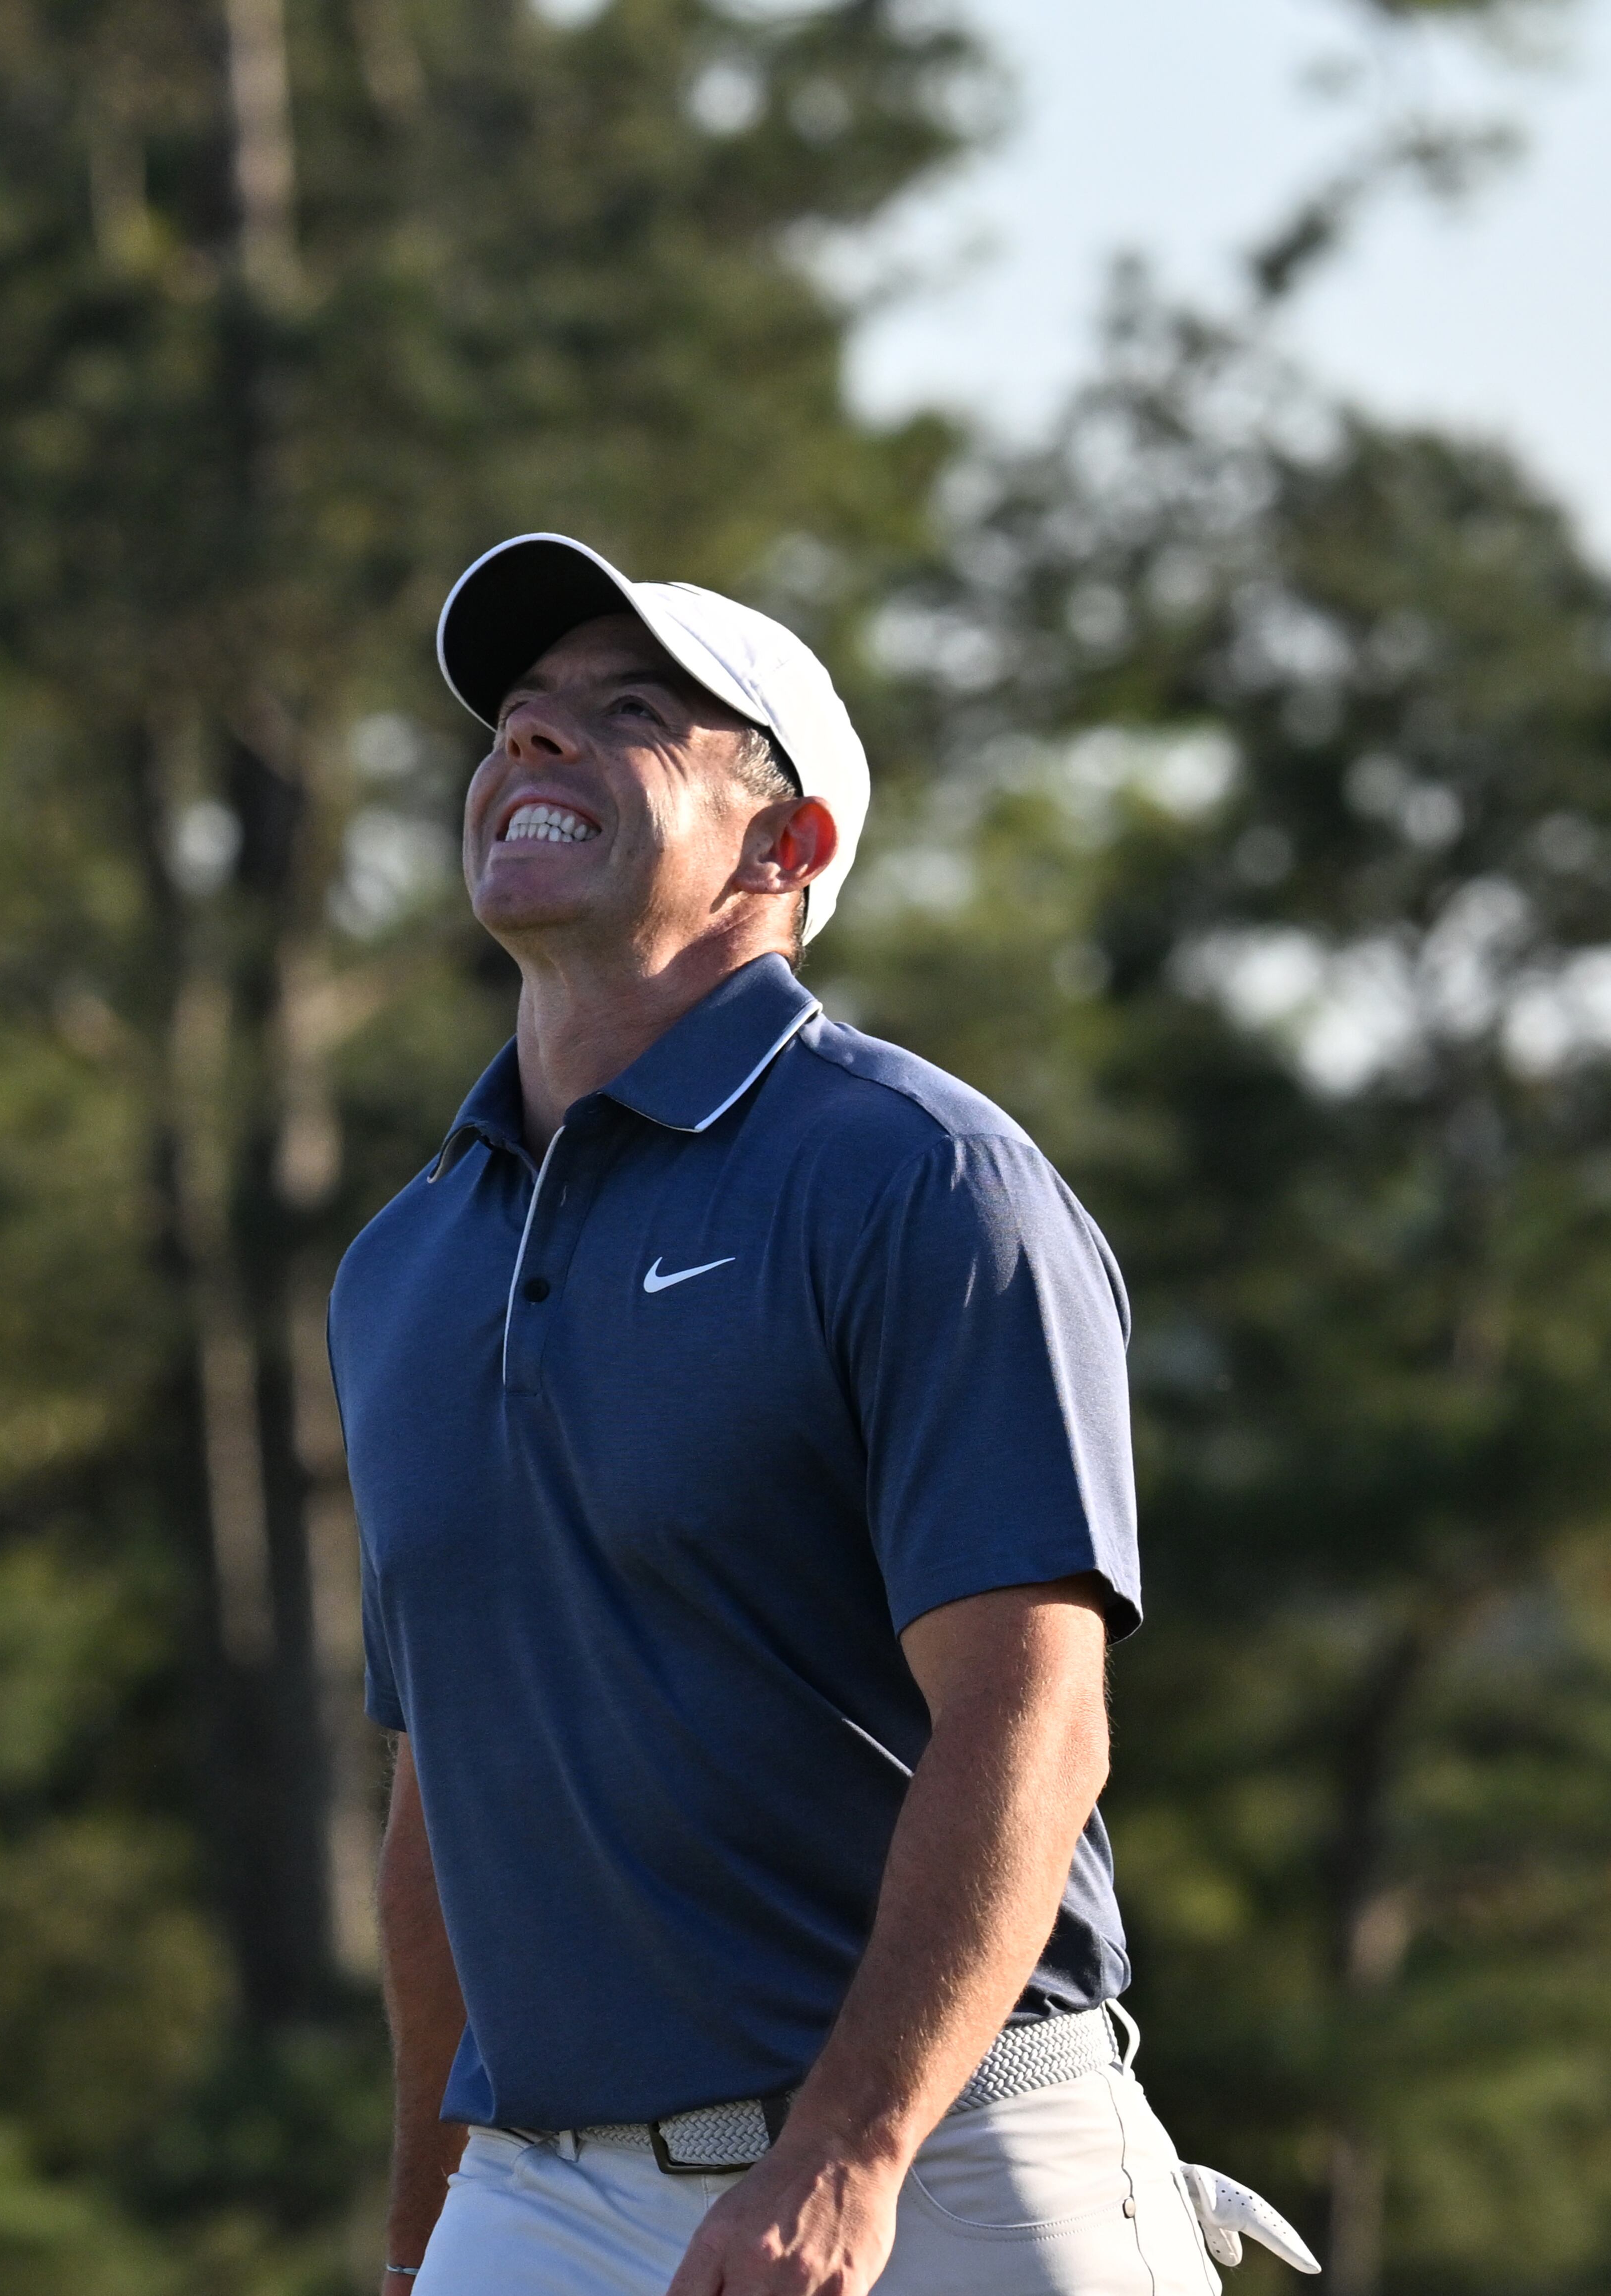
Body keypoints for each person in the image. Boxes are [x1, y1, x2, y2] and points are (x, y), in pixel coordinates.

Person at [327, 533, 1319, 2296]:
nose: (529, 748)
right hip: (546, 2190)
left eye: (629, 716)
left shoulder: (922, 1180)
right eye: (518, 721)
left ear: (788, 849)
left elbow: (1033, 1713)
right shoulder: (403, 1264)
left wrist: (846, 2150)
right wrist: (424, 2209)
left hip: (946, 2152)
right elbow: (443, 1791)